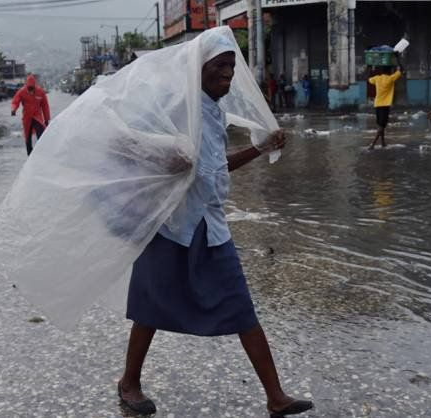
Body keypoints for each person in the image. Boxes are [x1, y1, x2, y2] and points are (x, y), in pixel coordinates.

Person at [117, 31, 314, 417]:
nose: (228, 74)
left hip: (209, 223)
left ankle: (276, 397)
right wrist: (166, 159)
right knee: (150, 307)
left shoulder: (213, 111)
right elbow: (126, 143)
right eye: (220, 65)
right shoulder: (176, 106)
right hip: (171, 224)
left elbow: (214, 167)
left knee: (241, 306)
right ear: (198, 67)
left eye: (231, 67)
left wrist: (260, 148)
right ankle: (129, 383)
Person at [368, 54, 404, 149]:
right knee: (382, 126)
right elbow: (401, 69)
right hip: (385, 105)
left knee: (380, 125)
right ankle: (373, 144)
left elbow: (369, 79)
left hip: (377, 104)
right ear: (389, 71)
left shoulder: (377, 78)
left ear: (381, 71)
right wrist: (397, 58)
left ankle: (383, 142)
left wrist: (370, 66)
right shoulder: (391, 78)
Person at [11, 74, 50, 156]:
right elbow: (15, 101)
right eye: (29, 88)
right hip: (27, 118)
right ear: (26, 86)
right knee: (27, 138)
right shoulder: (21, 92)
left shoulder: (40, 92)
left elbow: (45, 106)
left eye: (32, 88)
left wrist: (46, 119)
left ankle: (42, 154)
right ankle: (29, 156)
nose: (30, 90)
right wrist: (13, 109)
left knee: (41, 135)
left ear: (34, 86)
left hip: (37, 117)